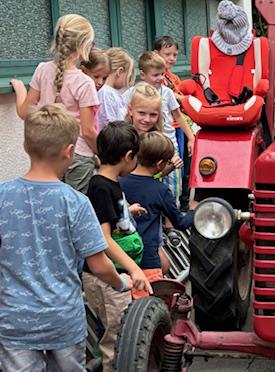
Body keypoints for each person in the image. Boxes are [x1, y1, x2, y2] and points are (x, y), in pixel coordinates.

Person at [0, 104, 132, 372]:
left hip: (15, 319)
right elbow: (98, 266)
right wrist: (120, 282)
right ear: (69, 151)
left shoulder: (2, 197)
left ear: (25, 145)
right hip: (63, 317)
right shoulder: (75, 203)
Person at [83, 121, 152, 372]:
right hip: (108, 278)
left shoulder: (110, 184)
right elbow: (104, 239)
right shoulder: (101, 187)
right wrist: (134, 268)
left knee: (116, 333)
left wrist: (128, 211)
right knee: (117, 338)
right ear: (128, 157)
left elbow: (110, 218)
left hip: (115, 276)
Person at [10, 14, 100, 194]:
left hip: (48, 151)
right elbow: (88, 131)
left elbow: (24, 112)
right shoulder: (84, 82)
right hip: (77, 153)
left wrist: (20, 90)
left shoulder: (42, 69)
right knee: (75, 207)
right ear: (84, 45)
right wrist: (103, 155)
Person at [123, 51, 194, 201]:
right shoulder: (133, 93)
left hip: (167, 145)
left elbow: (178, 116)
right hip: (144, 145)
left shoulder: (167, 93)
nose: (161, 78)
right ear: (143, 75)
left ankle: (170, 213)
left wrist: (191, 138)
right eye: (156, 75)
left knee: (171, 187)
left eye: (163, 74)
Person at [120, 132, 194, 274]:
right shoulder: (160, 190)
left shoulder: (120, 182)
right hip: (148, 260)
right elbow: (181, 223)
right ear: (160, 164)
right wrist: (194, 210)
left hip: (122, 260)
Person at [154, 35, 194, 211]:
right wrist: (185, 98)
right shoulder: (157, 79)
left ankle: (181, 204)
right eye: (167, 54)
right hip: (165, 132)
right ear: (156, 54)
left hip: (178, 129)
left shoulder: (174, 78)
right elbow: (179, 99)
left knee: (181, 167)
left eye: (175, 55)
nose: (171, 58)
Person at [96, 47, 135, 132]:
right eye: (127, 75)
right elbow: (112, 127)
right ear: (120, 72)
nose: (126, 82)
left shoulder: (110, 93)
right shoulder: (106, 94)